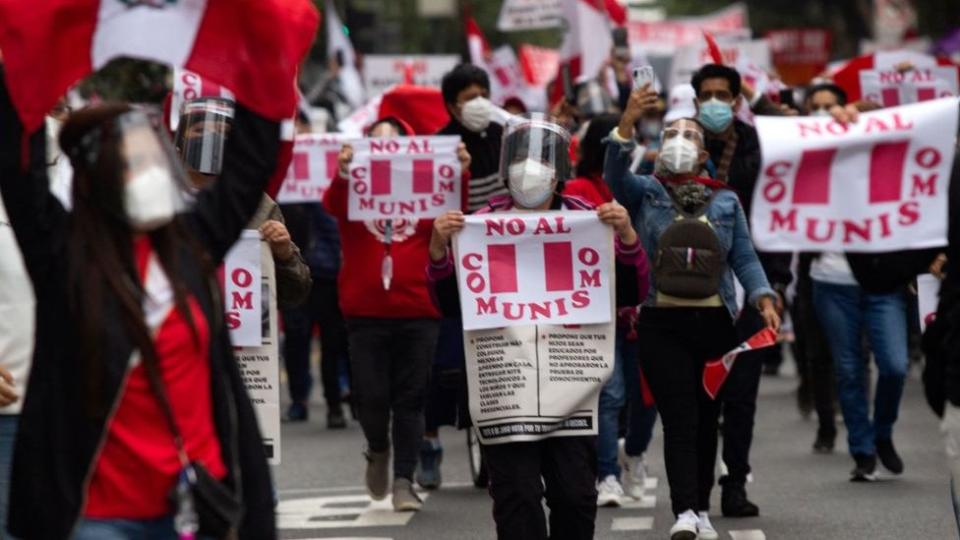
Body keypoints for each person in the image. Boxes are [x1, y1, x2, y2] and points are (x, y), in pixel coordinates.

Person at [0, 68, 278, 539]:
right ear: (93, 181)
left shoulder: (194, 245)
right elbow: (16, 164)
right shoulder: (62, 258)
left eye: (154, 160)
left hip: (198, 506)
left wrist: (264, 53)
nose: (149, 174)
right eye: (132, 163)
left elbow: (252, 161)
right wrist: (23, 61)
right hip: (100, 516)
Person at [427, 114, 649, 540]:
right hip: (507, 388)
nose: (528, 169)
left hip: (570, 388)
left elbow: (632, 289)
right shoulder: (481, 223)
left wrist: (626, 238)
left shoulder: (587, 219)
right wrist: (439, 250)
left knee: (575, 497)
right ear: (505, 167)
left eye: (541, 158)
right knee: (517, 498)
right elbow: (449, 303)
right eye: (519, 157)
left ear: (559, 171)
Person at [606, 90, 781, 540]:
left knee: (707, 418)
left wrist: (763, 298)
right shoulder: (645, 192)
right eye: (670, 134)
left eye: (689, 136)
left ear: (704, 153)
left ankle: (701, 506)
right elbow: (613, 177)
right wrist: (626, 123)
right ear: (659, 147)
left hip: (715, 324)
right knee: (680, 417)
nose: (679, 140)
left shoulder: (725, 201)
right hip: (660, 322)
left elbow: (743, 256)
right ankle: (685, 511)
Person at [324, 116, 470, 512]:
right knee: (371, 397)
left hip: (418, 311)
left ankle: (404, 480)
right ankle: (377, 448)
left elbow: (457, 208)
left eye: (393, 142)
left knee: (411, 398)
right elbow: (331, 204)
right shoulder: (352, 189)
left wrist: (459, 171)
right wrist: (343, 173)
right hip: (364, 314)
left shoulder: (428, 190)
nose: (384, 148)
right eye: (376, 142)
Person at [690, 64, 792, 517]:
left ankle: (735, 484)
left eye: (723, 95)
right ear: (695, 102)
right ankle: (694, 486)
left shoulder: (762, 145)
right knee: (700, 395)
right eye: (706, 95)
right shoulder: (681, 145)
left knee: (742, 394)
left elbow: (782, 214)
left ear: (737, 100)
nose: (714, 102)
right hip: (695, 290)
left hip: (753, 286)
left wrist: (777, 284)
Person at [565, 113, 660, 506]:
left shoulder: (642, 187)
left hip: (643, 308)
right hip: (598, 311)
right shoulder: (574, 190)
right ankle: (607, 474)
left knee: (647, 399)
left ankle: (633, 452)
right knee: (611, 393)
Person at [174, 97, 312, 311]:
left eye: (225, 134)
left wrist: (284, 255)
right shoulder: (159, 202)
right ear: (179, 144)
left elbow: (296, 292)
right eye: (201, 130)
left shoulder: (259, 204)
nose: (213, 138)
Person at [276, 113, 349, 427]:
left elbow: (335, 223)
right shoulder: (278, 172)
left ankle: (335, 401)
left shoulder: (325, 173)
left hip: (326, 272)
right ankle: (299, 398)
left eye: (300, 130)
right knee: (296, 336)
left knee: (332, 339)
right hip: (291, 268)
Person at [438, 63, 507, 212]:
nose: (480, 102)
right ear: (452, 106)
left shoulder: (503, 133)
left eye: (484, 96)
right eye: (471, 98)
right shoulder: (441, 146)